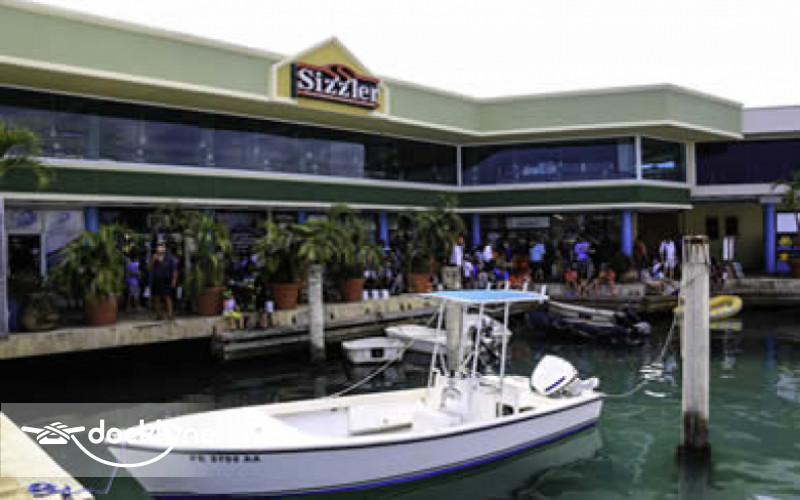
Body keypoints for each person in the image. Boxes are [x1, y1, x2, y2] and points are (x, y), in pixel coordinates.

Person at [149, 243, 177, 320]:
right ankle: (159, 315)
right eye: (158, 249)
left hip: (166, 280)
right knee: (156, 297)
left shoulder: (170, 258)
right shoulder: (154, 257)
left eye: (161, 248)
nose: (160, 250)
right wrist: (153, 260)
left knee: (167, 296)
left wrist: (174, 280)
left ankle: (170, 314)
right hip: (156, 280)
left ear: (164, 249)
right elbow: (148, 267)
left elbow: (174, 270)